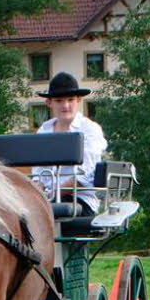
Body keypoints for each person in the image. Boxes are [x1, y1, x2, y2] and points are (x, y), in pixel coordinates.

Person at [31, 72, 107, 216]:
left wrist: (52, 194)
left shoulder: (90, 129)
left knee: (37, 215)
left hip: (80, 200)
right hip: (45, 200)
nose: (65, 106)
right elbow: (38, 174)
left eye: (70, 100)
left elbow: (85, 177)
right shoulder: (43, 131)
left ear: (78, 100)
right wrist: (37, 191)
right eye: (59, 100)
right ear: (49, 103)